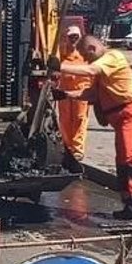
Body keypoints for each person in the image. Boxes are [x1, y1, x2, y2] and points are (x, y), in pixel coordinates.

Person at [51, 34, 132, 222]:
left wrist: (60, 66)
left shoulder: (113, 57)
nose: (86, 60)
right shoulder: (102, 68)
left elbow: (90, 70)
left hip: (131, 114)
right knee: (122, 163)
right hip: (119, 117)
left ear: (92, 49)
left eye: (85, 55)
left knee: (131, 156)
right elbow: (92, 93)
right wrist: (65, 94)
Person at [56, 23, 91, 163]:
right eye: (71, 37)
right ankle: (67, 147)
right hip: (64, 92)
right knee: (65, 120)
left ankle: (77, 149)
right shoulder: (62, 53)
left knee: (79, 119)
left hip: (81, 92)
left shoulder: (85, 54)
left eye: (76, 37)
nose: (74, 39)